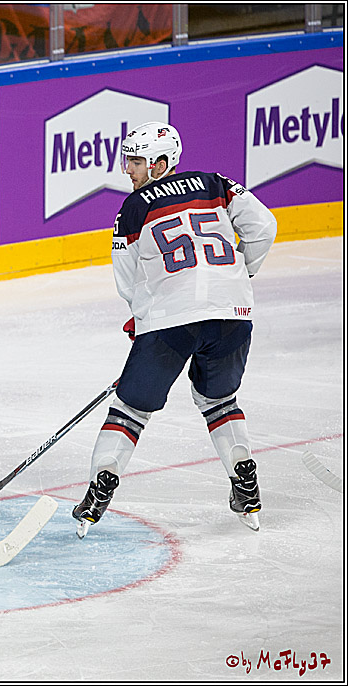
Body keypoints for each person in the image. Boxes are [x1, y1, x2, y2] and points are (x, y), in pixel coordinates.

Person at [72, 121, 278, 537]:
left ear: (161, 163)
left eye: (136, 162)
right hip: (232, 313)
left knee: (131, 409)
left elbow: (127, 281)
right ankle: (245, 483)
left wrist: (143, 319)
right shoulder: (216, 184)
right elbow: (264, 227)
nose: (128, 170)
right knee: (219, 401)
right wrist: (240, 273)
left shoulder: (133, 208)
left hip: (169, 321)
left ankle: (99, 490)